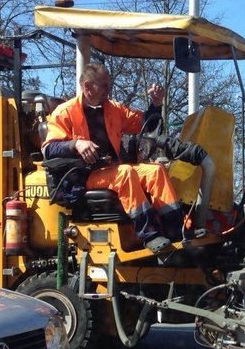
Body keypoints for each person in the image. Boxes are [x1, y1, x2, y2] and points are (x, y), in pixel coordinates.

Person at [42, 63, 182, 253]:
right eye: (104, 85)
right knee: (125, 172)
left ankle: (177, 232)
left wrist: (156, 104)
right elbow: (49, 149)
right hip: (81, 177)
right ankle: (150, 235)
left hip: (109, 170)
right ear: (88, 86)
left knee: (155, 171)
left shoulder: (113, 109)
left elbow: (145, 124)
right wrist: (76, 144)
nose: (109, 90)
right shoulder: (65, 112)